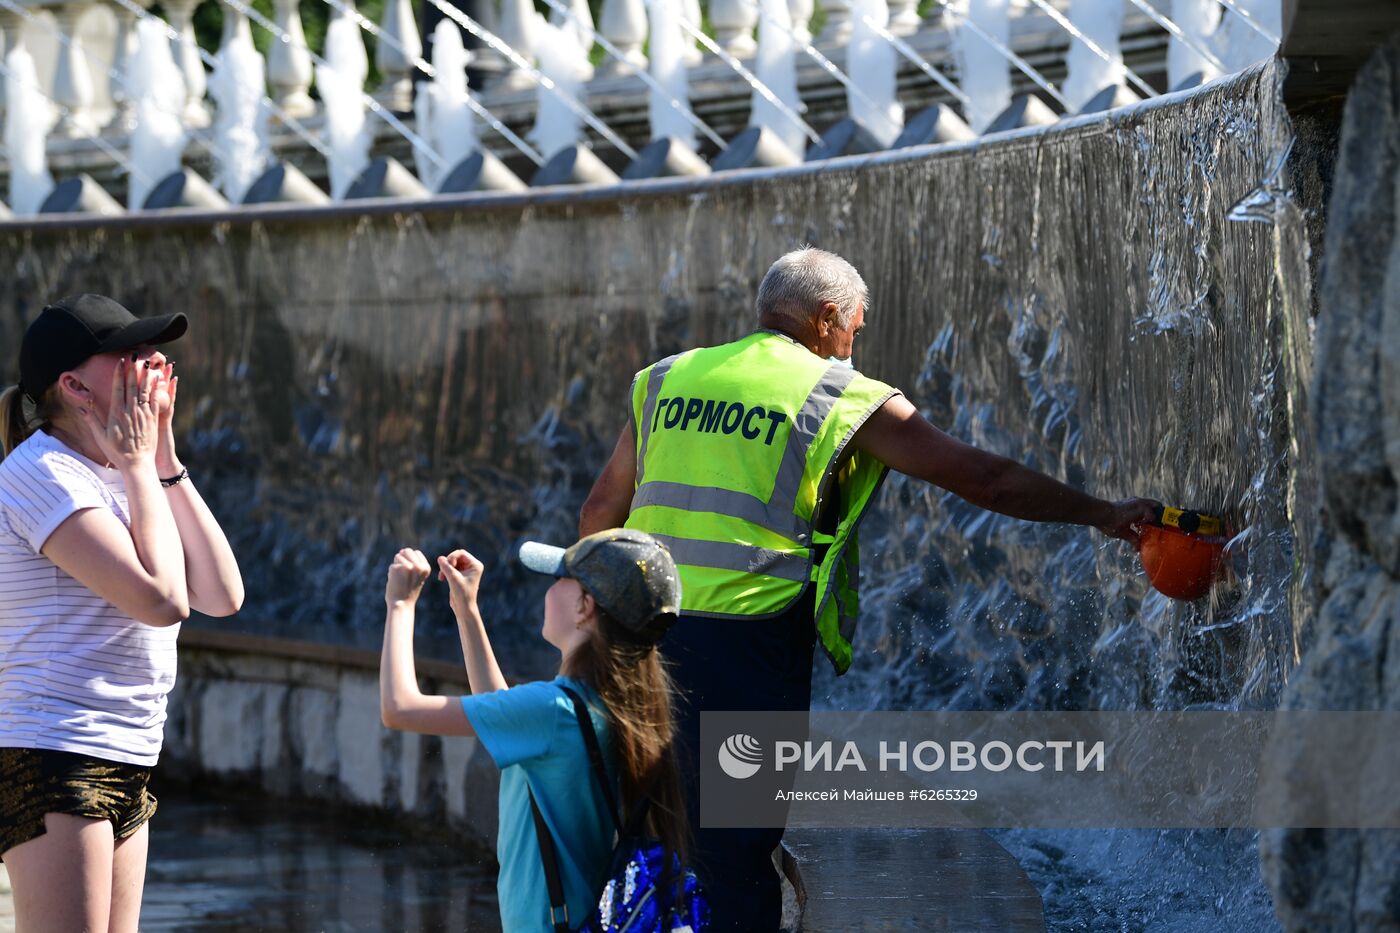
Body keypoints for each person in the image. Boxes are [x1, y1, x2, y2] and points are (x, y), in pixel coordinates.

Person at [577, 247, 1162, 930]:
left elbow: (598, 513)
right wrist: (1103, 512)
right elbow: (986, 479)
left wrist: (587, 634)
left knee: (643, 840)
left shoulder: (667, 377)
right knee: (735, 860)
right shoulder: (837, 395)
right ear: (827, 319)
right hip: (746, 648)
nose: (856, 342)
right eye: (856, 326)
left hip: (636, 638)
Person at [0, 294, 245, 933]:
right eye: (131, 354)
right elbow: (162, 601)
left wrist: (161, 459)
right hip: (54, 750)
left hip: (127, 751)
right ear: (75, 386)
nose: (154, 362)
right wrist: (138, 463)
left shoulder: (120, 474)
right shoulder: (40, 473)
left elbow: (220, 596)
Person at [379, 528, 691, 932]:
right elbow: (505, 714)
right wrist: (466, 609)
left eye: (561, 578)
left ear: (585, 606)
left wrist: (400, 604)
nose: (550, 588)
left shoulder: (553, 710)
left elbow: (399, 708)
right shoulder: (610, 703)